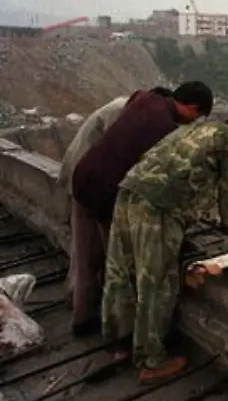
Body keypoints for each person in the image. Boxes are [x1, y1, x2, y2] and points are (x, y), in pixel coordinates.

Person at [101, 119, 228, 383]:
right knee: (156, 282)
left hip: (129, 190)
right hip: (160, 206)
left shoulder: (192, 129)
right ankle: (151, 360)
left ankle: (118, 341)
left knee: (121, 268)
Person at [69, 82, 213, 337]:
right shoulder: (165, 132)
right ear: (192, 108)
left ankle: (81, 320)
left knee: (84, 257)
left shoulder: (147, 98)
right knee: (118, 266)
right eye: (196, 117)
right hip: (106, 195)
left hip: (83, 179)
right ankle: (120, 336)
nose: (192, 123)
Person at [58, 88, 171, 336]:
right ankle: (109, 325)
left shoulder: (127, 109)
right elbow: (119, 157)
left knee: (85, 251)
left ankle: (81, 310)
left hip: (82, 176)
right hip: (92, 183)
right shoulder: (123, 113)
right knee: (102, 255)